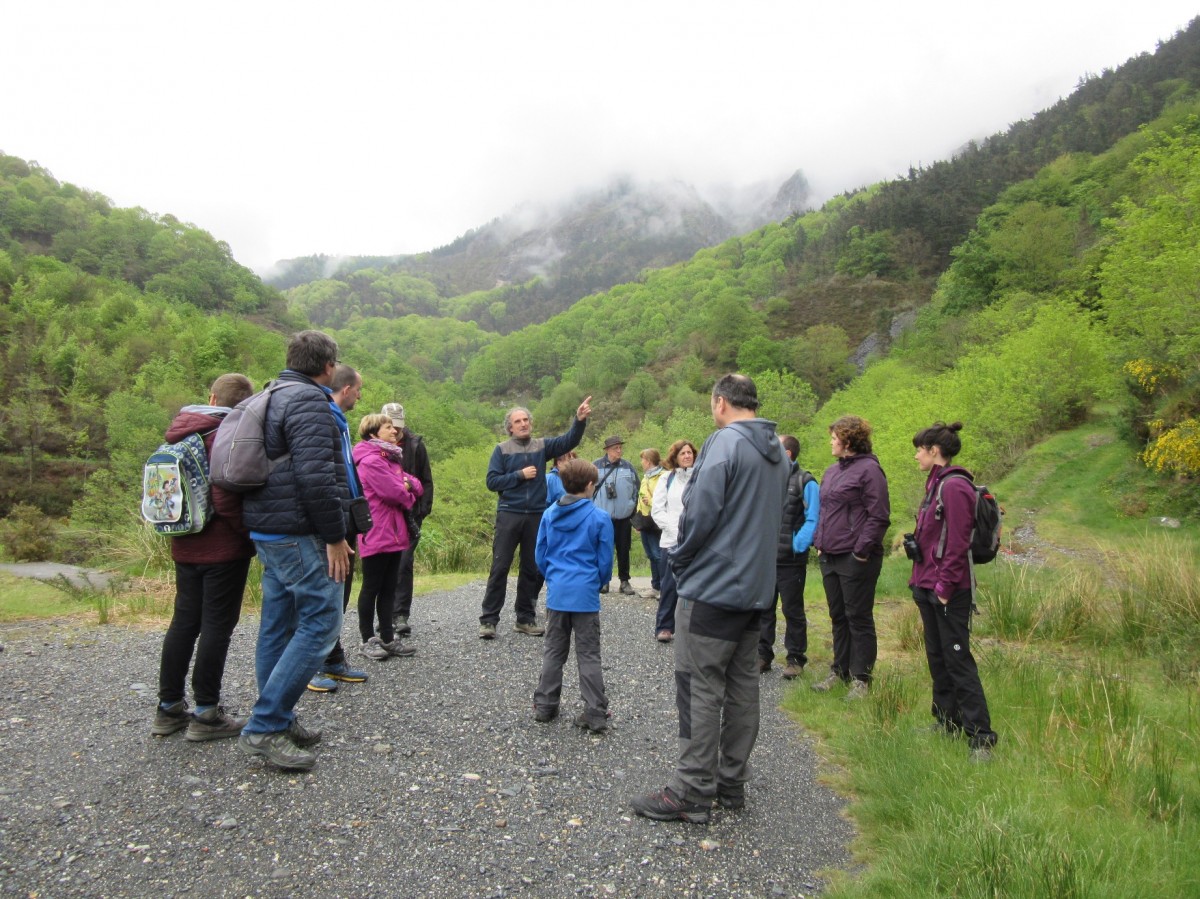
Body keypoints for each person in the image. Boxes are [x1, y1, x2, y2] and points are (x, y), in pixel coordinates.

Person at [631, 374, 789, 824]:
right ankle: (729, 783)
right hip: (757, 590)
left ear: (720, 403)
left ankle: (693, 790)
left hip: (714, 589)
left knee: (699, 686)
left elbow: (699, 515)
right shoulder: (777, 451)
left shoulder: (724, 443)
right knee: (742, 688)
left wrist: (679, 560)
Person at [238, 330, 354, 771]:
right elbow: (316, 478)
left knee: (278, 623)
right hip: (299, 532)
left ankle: (279, 718)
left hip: (268, 530)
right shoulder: (309, 402)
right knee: (322, 622)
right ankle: (265, 726)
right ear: (327, 367)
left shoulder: (274, 393)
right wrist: (335, 536)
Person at [152, 373, 255, 741]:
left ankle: (169, 708)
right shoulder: (226, 435)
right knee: (216, 627)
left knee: (183, 623)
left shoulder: (182, 431)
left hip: (183, 543)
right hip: (223, 550)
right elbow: (226, 498)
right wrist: (250, 536)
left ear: (212, 398)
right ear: (244, 403)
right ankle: (206, 713)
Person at [909, 421, 998, 761]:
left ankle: (982, 737)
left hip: (948, 590)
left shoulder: (955, 486)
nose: (916, 455)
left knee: (958, 658)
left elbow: (959, 541)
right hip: (927, 584)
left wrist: (944, 587)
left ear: (934, 452)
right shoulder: (935, 484)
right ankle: (947, 721)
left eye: (920, 449)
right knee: (939, 657)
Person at [480, 397, 592, 638]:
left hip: (536, 516)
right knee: (500, 566)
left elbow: (569, 440)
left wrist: (579, 420)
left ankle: (525, 618)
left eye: (526, 420)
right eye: (517, 421)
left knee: (532, 568)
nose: (523, 424)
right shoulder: (501, 450)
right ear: (510, 427)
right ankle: (488, 620)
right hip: (509, 512)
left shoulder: (542, 446)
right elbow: (492, 482)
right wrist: (519, 475)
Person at [532, 458, 615, 732]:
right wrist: (596, 582)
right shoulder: (599, 517)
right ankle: (595, 712)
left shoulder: (548, 514)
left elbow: (540, 556)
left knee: (554, 651)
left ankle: (545, 706)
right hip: (585, 595)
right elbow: (604, 563)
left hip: (558, 594)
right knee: (588, 653)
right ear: (590, 485)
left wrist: (554, 578)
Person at [811, 415, 891, 700]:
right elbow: (826, 510)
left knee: (858, 616)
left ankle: (862, 679)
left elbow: (879, 516)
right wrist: (819, 542)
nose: (831, 442)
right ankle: (839, 670)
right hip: (829, 554)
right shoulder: (832, 471)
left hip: (855, 557)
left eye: (834, 437)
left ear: (848, 441)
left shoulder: (870, 470)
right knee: (837, 615)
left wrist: (861, 552)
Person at [307, 365, 370, 694]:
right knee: (324, 592)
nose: (360, 395)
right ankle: (312, 663)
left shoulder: (338, 419)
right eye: (358, 389)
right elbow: (320, 478)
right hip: (330, 521)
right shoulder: (324, 417)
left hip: (345, 517)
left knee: (340, 591)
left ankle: (333, 658)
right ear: (346, 389)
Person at [353, 414, 424, 660]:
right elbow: (395, 493)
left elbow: (415, 483)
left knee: (389, 588)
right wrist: (408, 490)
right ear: (373, 433)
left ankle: (387, 638)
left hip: (394, 533)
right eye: (388, 427)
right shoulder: (372, 461)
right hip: (377, 531)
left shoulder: (390, 458)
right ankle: (366, 640)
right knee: (371, 587)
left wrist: (407, 487)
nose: (394, 431)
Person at [758, 435, 820, 678]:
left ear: (788, 453)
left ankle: (795, 659)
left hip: (791, 561)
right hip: (766, 559)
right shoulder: (765, 481)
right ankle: (762, 656)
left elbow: (814, 519)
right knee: (764, 609)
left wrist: (796, 545)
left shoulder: (807, 482)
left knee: (792, 611)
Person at [382, 402, 433, 638]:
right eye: (391, 425)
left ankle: (400, 614)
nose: (396, 430)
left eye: (398, 425)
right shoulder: (374, 447)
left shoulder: (415, 445)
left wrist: (422, 511)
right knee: (384, 567)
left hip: (410, 515)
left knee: (404, 563)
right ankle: (384, 616)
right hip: (383, 517)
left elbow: (426, 479)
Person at [650, 439, 697, 642]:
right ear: (675, 458)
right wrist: (673, 529)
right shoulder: (666, 479)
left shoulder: (701, 478)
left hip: (696, 540)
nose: (687, 456)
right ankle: (665, 627)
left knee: (695, 586)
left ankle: (692, 627)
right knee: (669, 585)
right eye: (683, 453)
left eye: (690, 453)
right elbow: (657, 510)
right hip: (671, 541)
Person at [592, 436, 640, 595]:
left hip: (623, 517)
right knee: (604, 550)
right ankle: (604, 581)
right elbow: (588, 490)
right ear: (607, 450)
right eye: (615, 448)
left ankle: (624, 581)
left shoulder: (628, 467)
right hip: (602, 518)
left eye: (620, 447)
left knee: (624, 549)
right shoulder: (595, 467)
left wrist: (631, 507)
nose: (619, 450)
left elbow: (636, 489)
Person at [634, 448, 665, 600]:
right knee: (651, 555)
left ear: (649, 461)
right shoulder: (646, 477)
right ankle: (655, 586)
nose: (641, 462)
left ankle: (663, 588)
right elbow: (640, 500)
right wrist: (638, 522)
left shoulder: (663, 476)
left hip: (656, 521)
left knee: (658, 555)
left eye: (643, 459)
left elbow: (666, 499)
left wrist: (651, 502)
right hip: (645, 521)